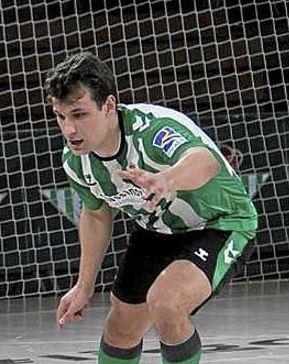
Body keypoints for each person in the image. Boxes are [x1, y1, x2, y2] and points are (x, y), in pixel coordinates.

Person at [44, 52, 258, 364]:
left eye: (79, 115)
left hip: (221, 224)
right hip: (158, 230)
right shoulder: (76, 161)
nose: (69, 130)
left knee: (166, 303)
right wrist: (83, 285)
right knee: (121, 328)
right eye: (61, 117)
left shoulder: (151, 132)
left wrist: (167, 179)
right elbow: (96, 214)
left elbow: (205, 161)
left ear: (108, 106)